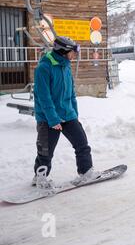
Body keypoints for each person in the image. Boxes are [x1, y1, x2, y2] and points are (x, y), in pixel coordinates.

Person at [32, 36, 99, 189]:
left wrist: (74, 112)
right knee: (45, 151)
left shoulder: (66, 66)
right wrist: (53, 119)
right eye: (72, 52)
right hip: (48, 117)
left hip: (68, 115)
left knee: (82, 143)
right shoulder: (44, 68)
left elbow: (71, 92)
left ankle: (86, 171)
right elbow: (44, 97)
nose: (74, 55)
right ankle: (40, 178)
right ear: (63, 51)